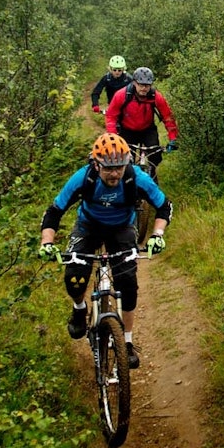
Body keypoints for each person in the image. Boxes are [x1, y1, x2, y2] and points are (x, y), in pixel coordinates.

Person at [37, 132, 172, 369]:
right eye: (108, 168)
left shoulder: (136, 178)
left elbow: (164, 207)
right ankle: (79, 309)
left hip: (121, 227)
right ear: (96, 164)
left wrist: (157, 236)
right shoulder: (84, 178)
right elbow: (54, 212)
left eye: (119, 167)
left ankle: (127, 342)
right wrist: (47, 243)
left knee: (127, 282)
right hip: (88, 226)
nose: (114, 173)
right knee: (75, 278)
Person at [105, 66, 178, 181]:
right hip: (127, 130)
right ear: (134, 82)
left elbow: (167, 117)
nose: (144, 88)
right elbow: (111, 116)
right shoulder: (122, 95)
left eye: (147, 85)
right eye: (141, 84)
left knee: (155, 157)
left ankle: (152, 178)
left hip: (147, 129)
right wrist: (113, 137)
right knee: (126, 160)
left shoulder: (155, 96)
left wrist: (173, 138)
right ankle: (129, 184)